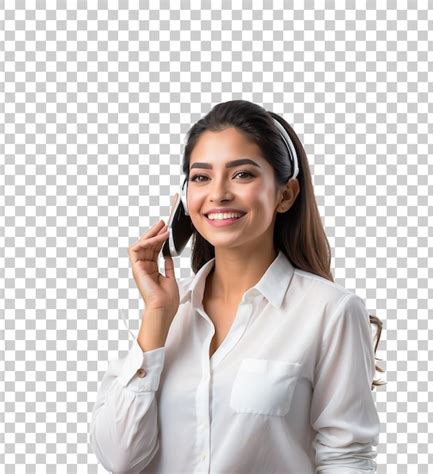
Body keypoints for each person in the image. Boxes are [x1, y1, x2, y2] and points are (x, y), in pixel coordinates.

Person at [89, 99, 385, 473]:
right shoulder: (169, 315)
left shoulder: (329, 311)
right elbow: (119, 459)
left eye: (242, 174)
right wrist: (156, 318)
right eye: (201, 177)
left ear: (285, 195)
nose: (218, 194)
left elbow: (347, 460)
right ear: (184, 198)